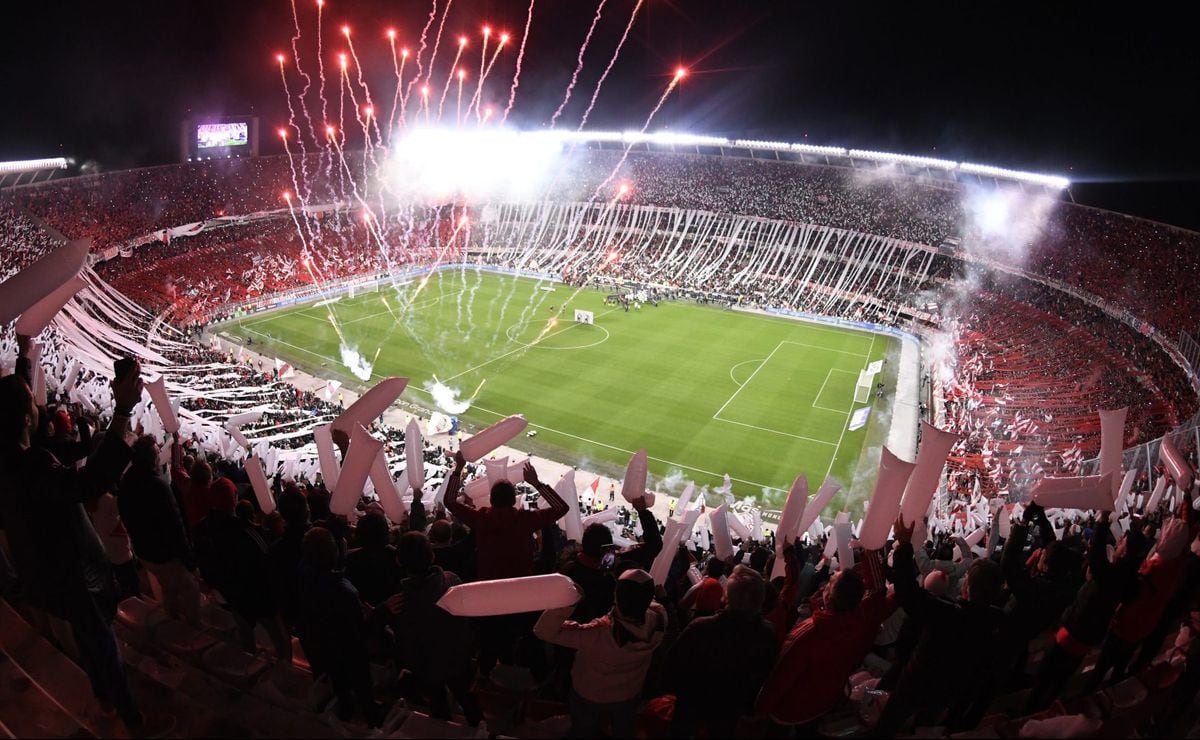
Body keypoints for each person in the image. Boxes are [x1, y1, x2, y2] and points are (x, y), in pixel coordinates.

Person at [0, 345, 168, 733]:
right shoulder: (33, 465)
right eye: (30, 401)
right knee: (102, 642)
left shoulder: (9, 459)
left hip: (41, 575)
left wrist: (25, 354)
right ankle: (130, 716)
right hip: (73, 575)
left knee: (85, 636)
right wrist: (123, 410)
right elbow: (90, 482)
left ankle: (103, 697)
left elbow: (19, 408)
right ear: (27, 416)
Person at [875, 515, 1007, 735]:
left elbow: (907, 592)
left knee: (888, 725)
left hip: (916, 685)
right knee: (924, 726)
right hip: (949, 691)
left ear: (967, 588)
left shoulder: (947, 614)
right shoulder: (999, 621)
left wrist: (904, 545)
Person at [444, 452, 569, 676]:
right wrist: (537, 483)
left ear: (491, 500)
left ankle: (486, 676)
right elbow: (562, 508)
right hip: (520, 593)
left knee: (490, 641)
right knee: (520, 638)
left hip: (488, 591)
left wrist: (458, 468)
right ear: (513, 500)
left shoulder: (481, 518)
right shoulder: (525, 519)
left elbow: (450, 501)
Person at [757, 547, 896, 733]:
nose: (825, 585)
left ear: (829, 596)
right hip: (825, 703)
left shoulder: (810, 632)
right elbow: (878, 590)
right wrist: (868, 551)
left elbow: (780, 676)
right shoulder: (860, 622)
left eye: (829, 583)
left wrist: (758, 713)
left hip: (788, 713)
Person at [535, 569, 667, 737]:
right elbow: (651, 603)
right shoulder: (660, 618)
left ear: (616, 597)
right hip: (628, 692)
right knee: (623, 729)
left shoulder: (597, 634)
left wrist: (567, 604)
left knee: (582, 729)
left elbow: (543, 631)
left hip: (589, 694)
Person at [666, 565, 778, 737]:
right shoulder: (768, 633)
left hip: (693, 710)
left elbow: (671, 667)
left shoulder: (700, 628)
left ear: (726, 597)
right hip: (733, 713)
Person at [384, 531, 482, 727]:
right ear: (432, 555)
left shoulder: (400, 602)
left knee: (438, 706)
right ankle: (479, 729)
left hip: (426, 667)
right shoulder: (452, 581)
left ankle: (443, 728)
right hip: (458, 658)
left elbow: (404, 640)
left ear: (399, 561)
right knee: (468, 701)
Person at [295, 526, 384, 726]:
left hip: (323, 643)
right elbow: (359, 628)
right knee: (362, 685)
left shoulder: (304, 574)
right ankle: (372, 719)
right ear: (332, 553)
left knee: (339, 682)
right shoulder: (343, 590)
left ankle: (344, 713)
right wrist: (380, 612)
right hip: (349, 648)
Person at [193, 477, 290, 659]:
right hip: (258, 596)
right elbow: (266, 562)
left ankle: (247, 663)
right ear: (234, 499)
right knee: (278, 635)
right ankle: (285, 670)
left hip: (231, 593)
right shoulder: (246, 531)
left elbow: (203, 561)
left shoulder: (202, 529)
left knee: (245, 631)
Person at [118, 434, 201, 625]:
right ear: (150, 458)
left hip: (144, 551)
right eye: (156, 453)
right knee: (190, 588)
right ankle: (192, 631)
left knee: (167, 585)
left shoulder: (127, 480)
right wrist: (189, 561)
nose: (158, 456)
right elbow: (175, 527)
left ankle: (171, 619)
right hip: (164, 554)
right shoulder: (158, 487)